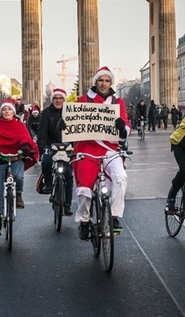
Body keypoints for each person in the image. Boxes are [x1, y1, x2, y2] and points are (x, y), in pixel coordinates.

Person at [73, 66, 131, 239]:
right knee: (84, 188)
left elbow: (127, 125)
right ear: (95, 82)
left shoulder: (117, 102)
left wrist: (122, 129)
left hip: (109, 149)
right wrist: (64, 126)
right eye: (101, 80)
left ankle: (114, 216)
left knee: (121, 178)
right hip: (87, 149)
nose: (104, 84)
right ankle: (84, 221)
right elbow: (73, 122)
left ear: (110, 83)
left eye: (107, 81)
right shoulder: (83, 100)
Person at [0, 98, 38, 237]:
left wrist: (25, 147)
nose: (6, 111)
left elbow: (24, 138)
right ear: (1, 112)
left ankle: (18, 194)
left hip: (16, 157)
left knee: (18, 176)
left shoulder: (19, 125)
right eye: (4, 109)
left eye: (9, 109)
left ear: (13, 111)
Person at [36, 88, 74, 216]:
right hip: (51, 144)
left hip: (67, 145)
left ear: (64, 99)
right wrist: (41, 147)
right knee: (46, 162)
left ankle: (67, 204)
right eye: (55, 98)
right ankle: (48, 183)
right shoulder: (46, 112)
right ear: (52, 100)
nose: (58, 101)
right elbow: (42, 130)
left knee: (68, 174)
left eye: (60, 98)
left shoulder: (71, 111)